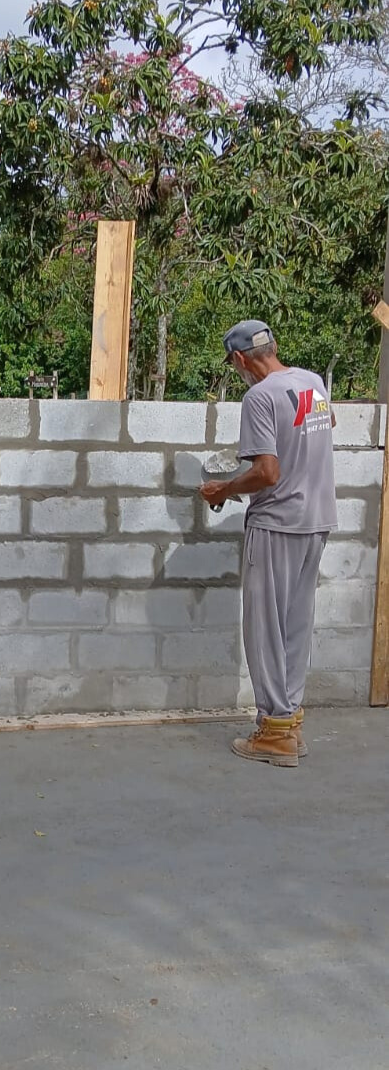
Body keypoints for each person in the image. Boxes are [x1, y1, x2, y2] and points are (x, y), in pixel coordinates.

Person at [199, 320, 337, 768]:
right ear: (273, 347)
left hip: (277, 523)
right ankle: (289, 724)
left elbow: (267, 473)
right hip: (317, 520)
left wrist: (224, 490)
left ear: (240, 359)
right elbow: (327, 422)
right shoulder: (312, 383)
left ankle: (274, 732)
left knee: (264, 631)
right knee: (295, 627)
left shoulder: (259, 397)